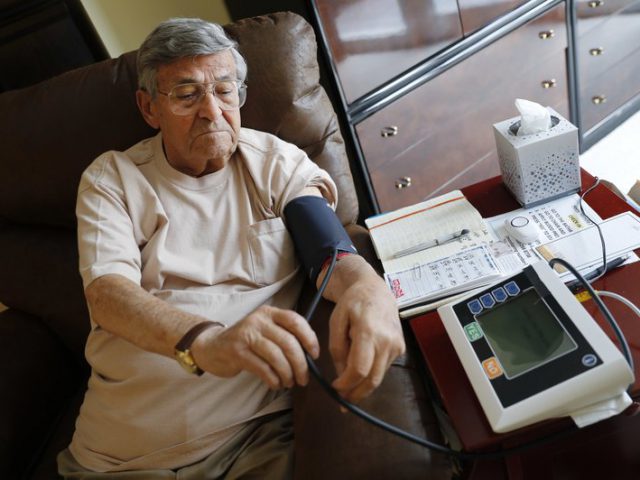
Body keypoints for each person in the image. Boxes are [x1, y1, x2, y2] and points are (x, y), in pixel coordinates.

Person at [57, 17, 404, 479]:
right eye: (186, 94)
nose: (211, 111)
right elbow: (108, 294)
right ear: (149, 107)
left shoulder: (274, 163)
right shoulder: (113, 179)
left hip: (251, 445)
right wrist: (206, 342)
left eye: (224, 90)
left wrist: (369, 289)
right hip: (115, 461)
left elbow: (330, 251)